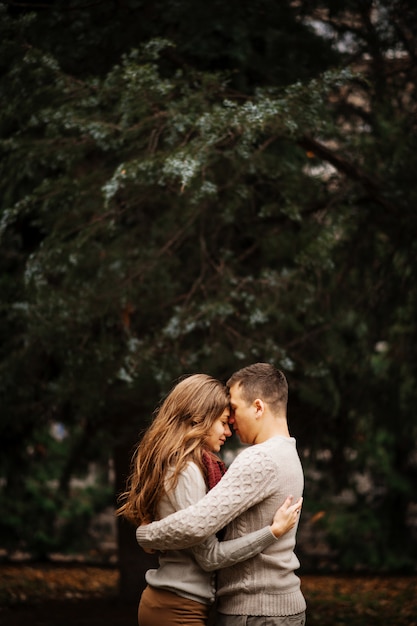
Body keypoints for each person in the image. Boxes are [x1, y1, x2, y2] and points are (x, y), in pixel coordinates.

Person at [117, 372, 302, 626]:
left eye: (233, 414)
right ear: (198, 419)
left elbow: (199, 530)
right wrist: (270, 532)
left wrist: (148, 535)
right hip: (177, 605)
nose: (230, 427)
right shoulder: (187, 468)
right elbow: (208, 552)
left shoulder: (253, 459)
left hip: (219, 606)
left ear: (258, 406)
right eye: (224, 420)